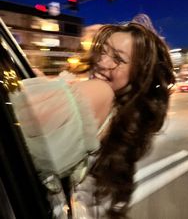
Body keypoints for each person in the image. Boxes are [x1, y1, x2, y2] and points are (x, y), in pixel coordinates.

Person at [10, 22, 175, 219]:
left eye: (118, 59)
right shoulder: (121, 116)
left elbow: (17, 117)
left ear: (140, 74)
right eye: (102, 52)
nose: (102, 62)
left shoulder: (100, 91)